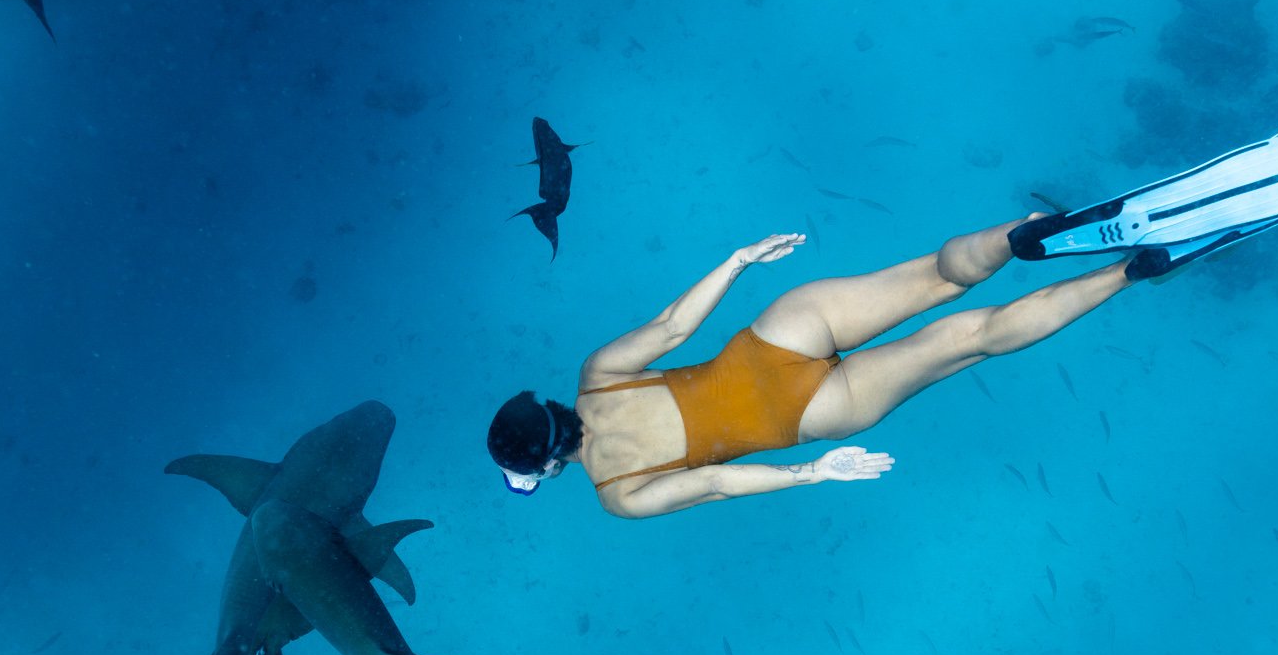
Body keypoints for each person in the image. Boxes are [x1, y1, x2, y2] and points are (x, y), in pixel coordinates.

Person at [487, 217, 1136, 518]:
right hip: (779, 332)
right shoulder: (596, 372)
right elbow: (673, 327)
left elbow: (715, 484)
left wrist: (812, 472)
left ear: (545, 466)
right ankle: (1026, 232)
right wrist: (737, 259)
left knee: (974, 337)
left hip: (811, 411)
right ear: (545, 408)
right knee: (936, 277)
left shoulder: (617, 495)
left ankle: (1129, 271)